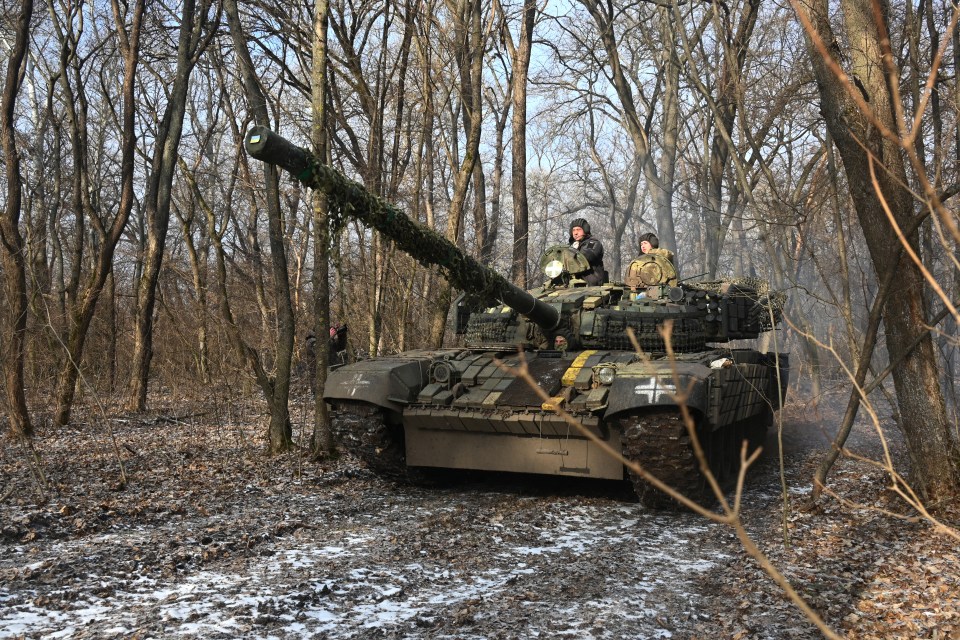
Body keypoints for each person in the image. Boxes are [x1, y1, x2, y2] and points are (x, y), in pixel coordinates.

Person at [568, 218, 605, 285]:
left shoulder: (592, 243)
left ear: (585, 230)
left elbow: (587, 256)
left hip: (590, 284)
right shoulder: (570, 246)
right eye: (573, 230)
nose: (575, 233)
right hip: (572, 284)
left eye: (578, 230)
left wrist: (572, 253)